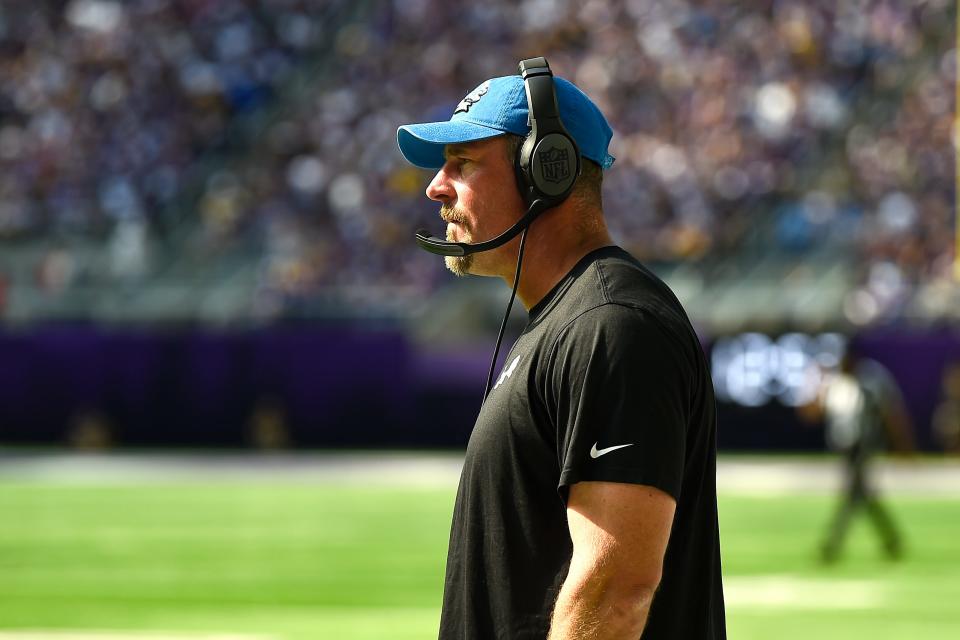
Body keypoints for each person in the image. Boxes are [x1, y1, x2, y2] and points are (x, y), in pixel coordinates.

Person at [397, 63, 725, 639]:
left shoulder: (613, 326)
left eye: (463, 163)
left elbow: (616, 588)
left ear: (546, 169)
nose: (435, 186)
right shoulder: (568, 322)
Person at [803, 345, 914, 563]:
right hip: (847, 449)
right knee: (862, 496)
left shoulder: (871, 380)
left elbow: (890, 412)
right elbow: (811, 414)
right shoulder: (837, 384)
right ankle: (892, 541)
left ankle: (832, 546)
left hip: (864, 446)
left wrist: (901, 445)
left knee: (852, 496)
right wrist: (818, 387)